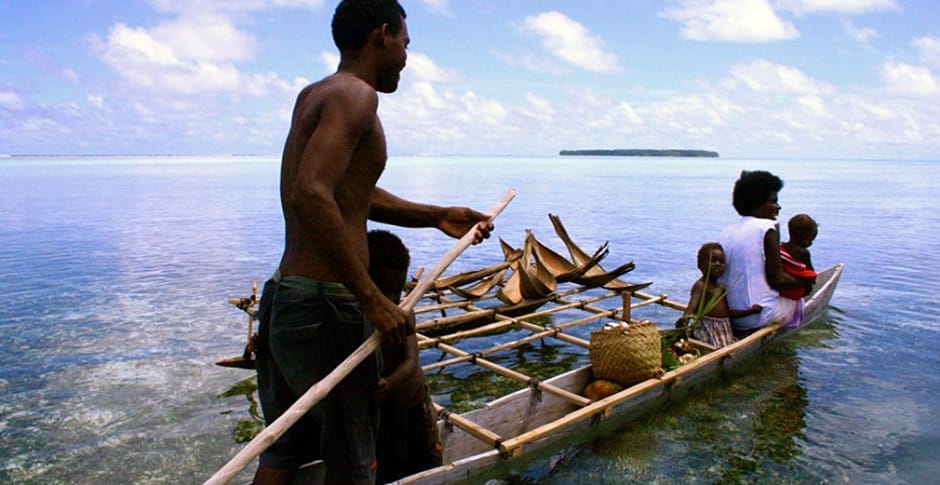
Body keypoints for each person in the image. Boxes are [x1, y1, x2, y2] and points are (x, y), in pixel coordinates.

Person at [252, 1, 492, 484]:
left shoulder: (316, 93)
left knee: (284, 453)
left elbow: (348, 193)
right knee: (353, 466)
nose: (407, 55)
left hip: (287, 300)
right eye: (405, 42)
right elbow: (310, 194)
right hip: (327, 311)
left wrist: (436, 215)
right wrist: (371, 298)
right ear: (383, 35)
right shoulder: (358, 96)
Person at [367, 230, 443, 483]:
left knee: (428, 467)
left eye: (398, 293)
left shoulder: (404, 313)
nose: (394, 301)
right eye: (386, 293)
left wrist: (387, 383)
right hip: (383, 417)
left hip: (415, 407)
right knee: (388, 471)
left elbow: (411, 362)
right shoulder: (357, 319)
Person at [718, 170, 808, 338]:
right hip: (757, 316)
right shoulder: (767, 226)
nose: (778, 207)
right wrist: (805, 282)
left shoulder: (726, 230)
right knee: (799, 299)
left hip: (730, 315)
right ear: (757, 203)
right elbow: (777, 279)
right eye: (773, 201)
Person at [682, 242, 761, 347]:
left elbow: (727, 313)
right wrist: (681, 329)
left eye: (721, 261)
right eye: (713, 260)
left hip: (723, 331)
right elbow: (691, 308)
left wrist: (750, 311)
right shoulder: (700, 285)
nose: (718, 264)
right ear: (701, 264)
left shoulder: (721, 288)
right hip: (709, 332)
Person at [772, 213, 819, 328]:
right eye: (810, 240)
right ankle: (795, 315)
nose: (811, 244)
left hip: (780, 290)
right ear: (805, 238)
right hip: (793, 291)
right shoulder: (803, 252)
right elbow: (810, 272)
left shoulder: (780, 248)